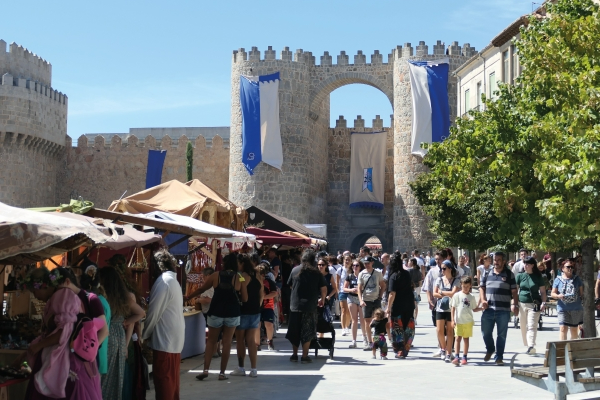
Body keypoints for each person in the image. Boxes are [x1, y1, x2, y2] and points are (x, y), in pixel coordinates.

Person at [23, 267, 107, 400]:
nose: (34, 295)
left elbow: (67, 331)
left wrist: (88, 348)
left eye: (34, 291)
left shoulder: (71, 297)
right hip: (61, 357)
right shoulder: (57, 298)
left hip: (70, 359)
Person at [185, 253, 248, 381]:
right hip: (232, 313)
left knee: (211, 342)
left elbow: (201, 289)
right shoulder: (240, 277)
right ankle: (222, 373)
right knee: (227, 343)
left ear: (224, 263)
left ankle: (206, 370)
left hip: (216, 312)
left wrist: (187, 297)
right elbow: (245, 298)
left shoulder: (215, 275)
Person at [98, 266, 146, 400]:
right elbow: (141, 313)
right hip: (118, 336)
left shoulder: (102, 297)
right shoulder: (124, 297)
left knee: (102, 377)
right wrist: (124, 322)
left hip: (105, 334)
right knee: (116, 377)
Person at [142, 250, 185, 398]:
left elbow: (153, 313)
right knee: (171, 382)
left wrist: (145, 335)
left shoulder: (164, 282)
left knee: (164, 381)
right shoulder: (171, 281)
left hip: (165, 340)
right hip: (172, 339)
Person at [286, 249, 327, 363]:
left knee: (295, 330)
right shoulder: (316, 272)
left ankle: (294, 355)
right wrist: (322, 300)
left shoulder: (294, 270)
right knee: (307, 331)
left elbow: (289, 286)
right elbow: (323, 288)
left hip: (295, 306)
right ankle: (304, 356)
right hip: (309, 306)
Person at [479, 251, 518, 366]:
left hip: (503, 310)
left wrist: (514, 305)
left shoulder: (509, 274)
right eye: (495, 260)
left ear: (504, 261)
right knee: (485, 333)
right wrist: (483, 300)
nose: (496, 262)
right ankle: (490, 349)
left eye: (498, 260)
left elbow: (514, 292)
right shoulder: (487, 273)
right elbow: (482, 288)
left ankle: (499, 357)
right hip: (488, 309)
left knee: (501, 335)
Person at [231, 254, 263, 378]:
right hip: (255, 311)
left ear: (242, 263)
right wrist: (258, 306)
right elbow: (261, 294)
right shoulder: (258, 275)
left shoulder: (242, 276)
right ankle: (254, 369)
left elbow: (238, 288)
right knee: (251, 340)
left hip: (243, 311)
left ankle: (241, 367)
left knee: (240, 340)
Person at [79, 273, 111, 379]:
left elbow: (102, 330)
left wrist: (88, 350)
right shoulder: (101, 300)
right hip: (97, 351)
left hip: (95, 353)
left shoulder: (94, 301)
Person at [386, 252, 416, 359]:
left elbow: (392, 293)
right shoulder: (406, 274)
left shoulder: (393, 276)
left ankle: (399, 350)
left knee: (397, 328)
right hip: (408, 303)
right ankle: (406, 348)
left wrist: (388, 308)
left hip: (398, 305)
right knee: (408, 326)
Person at [515, 257, 547, 355]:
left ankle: (531, 346)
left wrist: (544, 302)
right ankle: (528, 344)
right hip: (521, 304)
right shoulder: (520, 276)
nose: (525, 265)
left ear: (533, 265)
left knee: (532, 326)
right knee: (523, 326)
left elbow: (542, 291)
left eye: (528, 264)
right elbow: (515, 291)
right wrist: (514, 303)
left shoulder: (538, 276)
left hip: (534, 304)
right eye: (525, 264)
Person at [450, 276, 482, 366]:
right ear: (461, 285)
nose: (466, 288)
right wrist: (452, 320)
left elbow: (474, 309)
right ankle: (456, 356)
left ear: (470, 286)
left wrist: (482, 308)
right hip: (458, 321)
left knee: (466, 339)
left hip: (468, 322)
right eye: (464, 286)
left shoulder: (471, 297)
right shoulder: (457, 295)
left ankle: (464, 357)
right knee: (457, 338)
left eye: (467, 287)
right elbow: (453, 308)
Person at [433, 260, 460, 362]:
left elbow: (454, 293)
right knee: (439, 330)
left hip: (451, 308)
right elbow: (434, 294)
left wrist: (441, 292)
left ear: (450, 269)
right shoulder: (439, 280)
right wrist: (445, 293)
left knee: (450, 331)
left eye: (444, 268)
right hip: (440, 308)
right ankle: (443, 349)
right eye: (441, 268)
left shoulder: (456, 280)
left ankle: (449, 353)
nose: (442, 270)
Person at [357, 255, 386, 351]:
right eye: (365, 263)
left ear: (372, 263)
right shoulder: (361, 274)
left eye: (368, 263)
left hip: (376, 299)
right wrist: (361, 300)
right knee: (367, 321)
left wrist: (380, 297)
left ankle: (376, 341)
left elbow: (382, 285)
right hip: (366, 300)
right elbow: (359, 288)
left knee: (378, 321)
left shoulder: (377, 273)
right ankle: (370, 342)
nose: (366, 265)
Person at [551, 259, 584, 340]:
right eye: (568, 267)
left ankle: (572, 350)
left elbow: (582, 294)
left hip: (576, 308)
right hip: (562, 307)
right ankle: (562, 349)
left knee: (573, 329)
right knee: (563, 328)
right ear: (562, 268)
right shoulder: (558, 280)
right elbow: (552, 293)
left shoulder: (577, 279)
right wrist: (558, 296)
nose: (570, 268)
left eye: (572, 267)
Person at [345, 260, 367, 348]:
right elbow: (344, 288)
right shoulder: (350, 276)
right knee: (354, 320)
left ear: (360, 267)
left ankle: (364, 338)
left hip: (361, 299)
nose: (355, 267)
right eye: (353, 265)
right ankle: (353, 341)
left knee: (363, 320)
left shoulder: (363, 276)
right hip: (351, 298)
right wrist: (351, 290)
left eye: (357, 265)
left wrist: (360, 291)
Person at [258, 262, 278, 350]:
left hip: (268, 306)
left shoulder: (269, 282)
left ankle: (270, 341)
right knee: (257, 325)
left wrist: (264, 297)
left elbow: (274, 293)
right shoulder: (253, 281)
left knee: (268, 324)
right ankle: (256, 343)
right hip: (256, 307)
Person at [337, 255, 352, 336]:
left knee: (349, 311)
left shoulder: (352, 269)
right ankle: (343, 328)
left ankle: (347, 326)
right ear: (343, 260)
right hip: (342, 292)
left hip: (351, 292)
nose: (347, 261)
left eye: (349, 260)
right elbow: (337, 281)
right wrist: (338, 291)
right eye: (346, 260)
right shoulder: (340, 269)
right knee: (343, 310)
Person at [407, 258, 423, 323]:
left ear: (412, 262)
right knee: (416, 305)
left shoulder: (409, 271)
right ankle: (415, 319)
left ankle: (411, 317)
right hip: (417, 288)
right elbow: (420, 282)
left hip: (410, 288)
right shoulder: (418, 271)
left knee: (410, 304)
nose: (408, 262)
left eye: (409, 261)